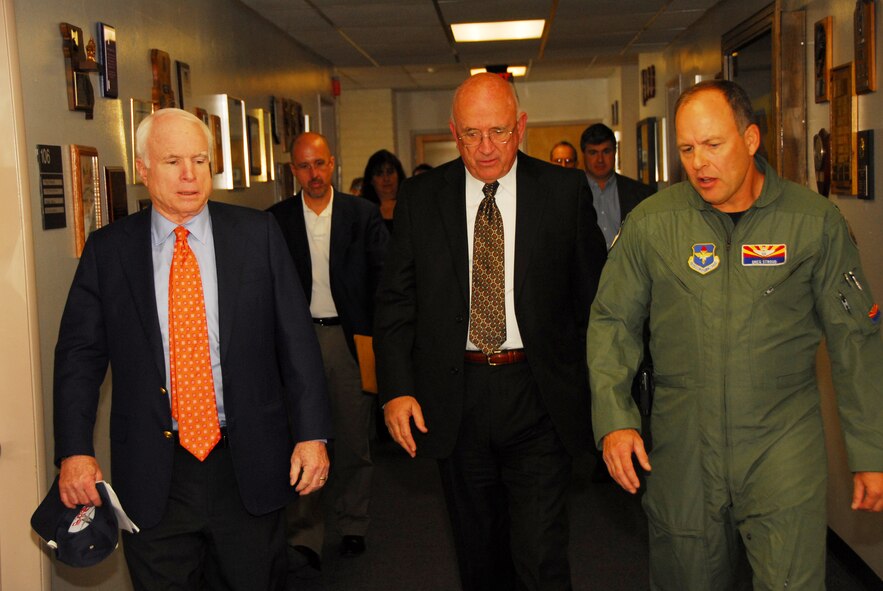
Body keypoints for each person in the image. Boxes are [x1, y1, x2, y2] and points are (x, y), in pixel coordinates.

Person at [588, 80, 883, 590]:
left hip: (781, 442)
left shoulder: (812, 224)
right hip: (683, 447)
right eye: (686, 149)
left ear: (750, 139)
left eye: (712, 145)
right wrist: (615, 418)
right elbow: (613, 321)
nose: (699, 163)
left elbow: (855, 340)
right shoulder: (652, 225)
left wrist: (872, 453)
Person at [53, 108, 332, 590]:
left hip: (245, 462)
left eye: (200, 161)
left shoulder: (256, 235)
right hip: (154, 470)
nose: (189, 175)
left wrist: (312, 434)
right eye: (173, 161)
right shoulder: (110, 251)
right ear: (143, 169)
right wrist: (74, 450)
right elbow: (79, 356)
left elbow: (297, 343)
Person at [374, 73, 607, 591]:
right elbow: (395, 303)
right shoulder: (421, 197)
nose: (484, 148)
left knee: (542, 555)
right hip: (457, 396)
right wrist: (396, 389)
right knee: (481, 561)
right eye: (471, 134)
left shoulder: (563, 193)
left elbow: (593, 303)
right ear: (454, 132)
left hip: (538, 393)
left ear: (520, 127)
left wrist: (602, 395)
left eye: (498, 132)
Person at [268, 132, 388, 571]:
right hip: (298, 344)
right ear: (293, 171)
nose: (313, 174)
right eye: (304, 166)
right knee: (304, 438)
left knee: (355, 439)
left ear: (332, 164)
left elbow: (384, 281)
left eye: (319, 164)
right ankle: (305, 534)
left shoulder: (363, 215)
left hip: (349, 341)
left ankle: (354, 522)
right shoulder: (276, 220)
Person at [580, 123, 654, 248]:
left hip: (628, 266)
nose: (600, 159)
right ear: (584, 155)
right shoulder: (572, 193)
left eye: (606, 151)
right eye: (593, 153)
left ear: (615, 152)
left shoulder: (641, 194)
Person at [361, 149, 405, 232]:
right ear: (371, 180)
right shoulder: (363, 212)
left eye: (390, 172)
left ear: (399, 175)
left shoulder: (410, 206)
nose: (386, 178)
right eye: (379, 173)